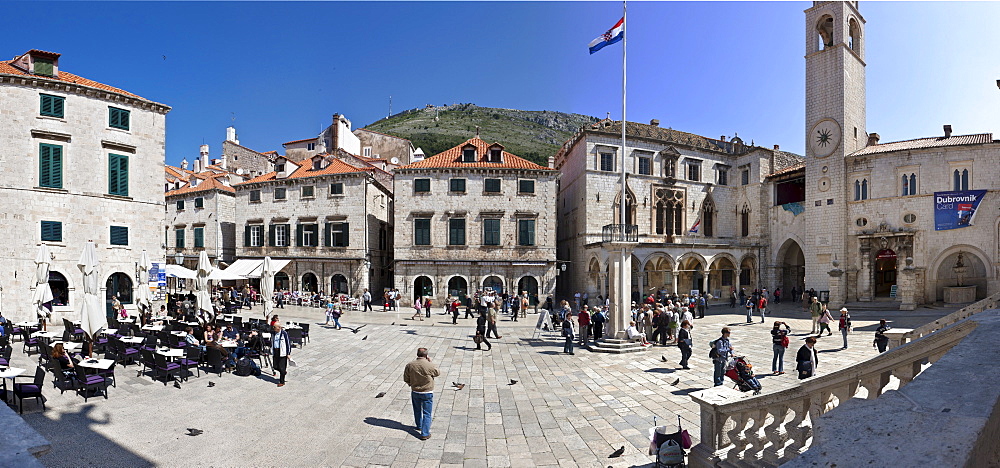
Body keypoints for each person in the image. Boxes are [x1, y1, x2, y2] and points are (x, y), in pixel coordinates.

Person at [403, 348, 440, 440]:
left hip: (415, 391)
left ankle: (419, 425)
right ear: (426, 355)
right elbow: (437, 373)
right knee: (427, 413)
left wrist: (411, 384)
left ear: (417, 354)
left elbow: (406, 378)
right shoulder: (429, 365)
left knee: (417, 410)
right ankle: (425, 433)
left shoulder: (410, 365)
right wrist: (430, 362)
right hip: (427, 392)